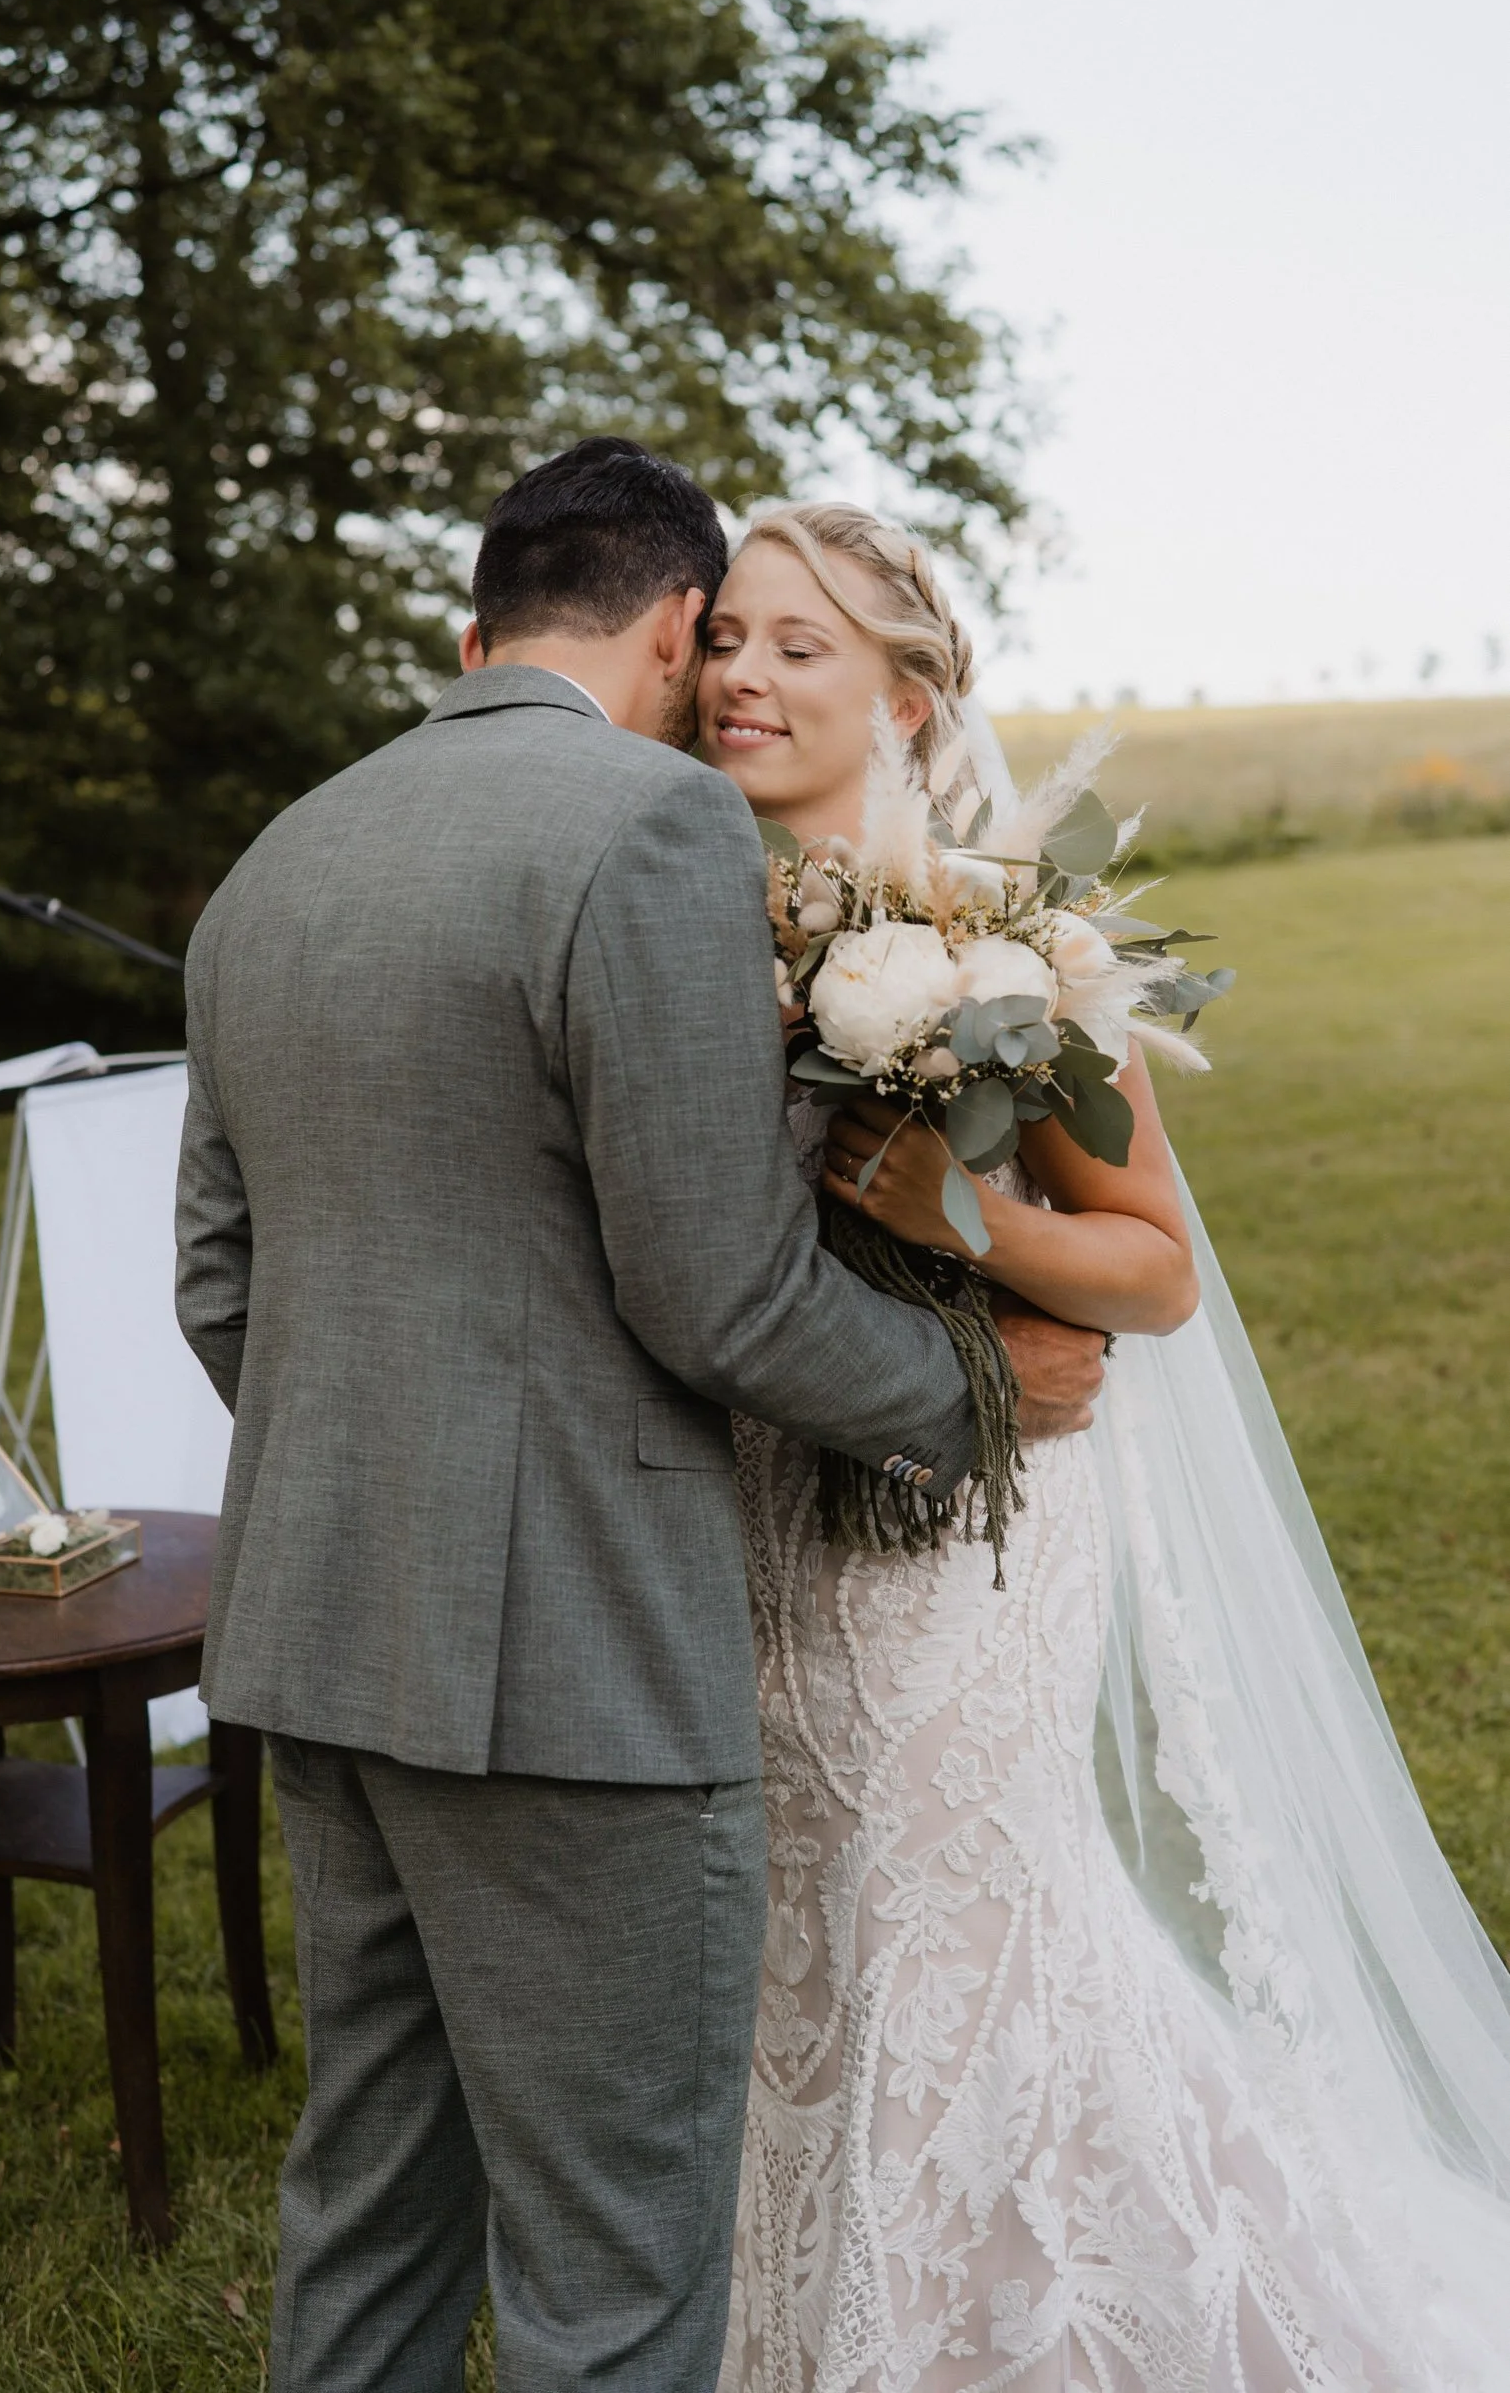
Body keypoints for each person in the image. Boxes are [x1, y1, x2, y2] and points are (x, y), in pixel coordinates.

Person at [174, 439, 1105, 2393]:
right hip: (570, 1676)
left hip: (318, 1649)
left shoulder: (276, 862)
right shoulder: (648, 831)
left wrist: (394, 1477)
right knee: (617, 2284)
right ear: (678, 628)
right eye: (726, 640)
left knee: (369, 2217)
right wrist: (966, 1389)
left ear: (479, 625)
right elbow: (718, 1288)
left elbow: (219, 1286)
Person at [700, 502, 1510, 2392]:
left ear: (910, 692)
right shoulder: (672, 913)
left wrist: (950, 1215)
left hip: (963, 1541)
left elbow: (1152, 1274)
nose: (742, 675)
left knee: (957, 1927)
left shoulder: (1008, 937)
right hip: (749, 1518)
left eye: (800, 647)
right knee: (801, 1940)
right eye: (727, 636)